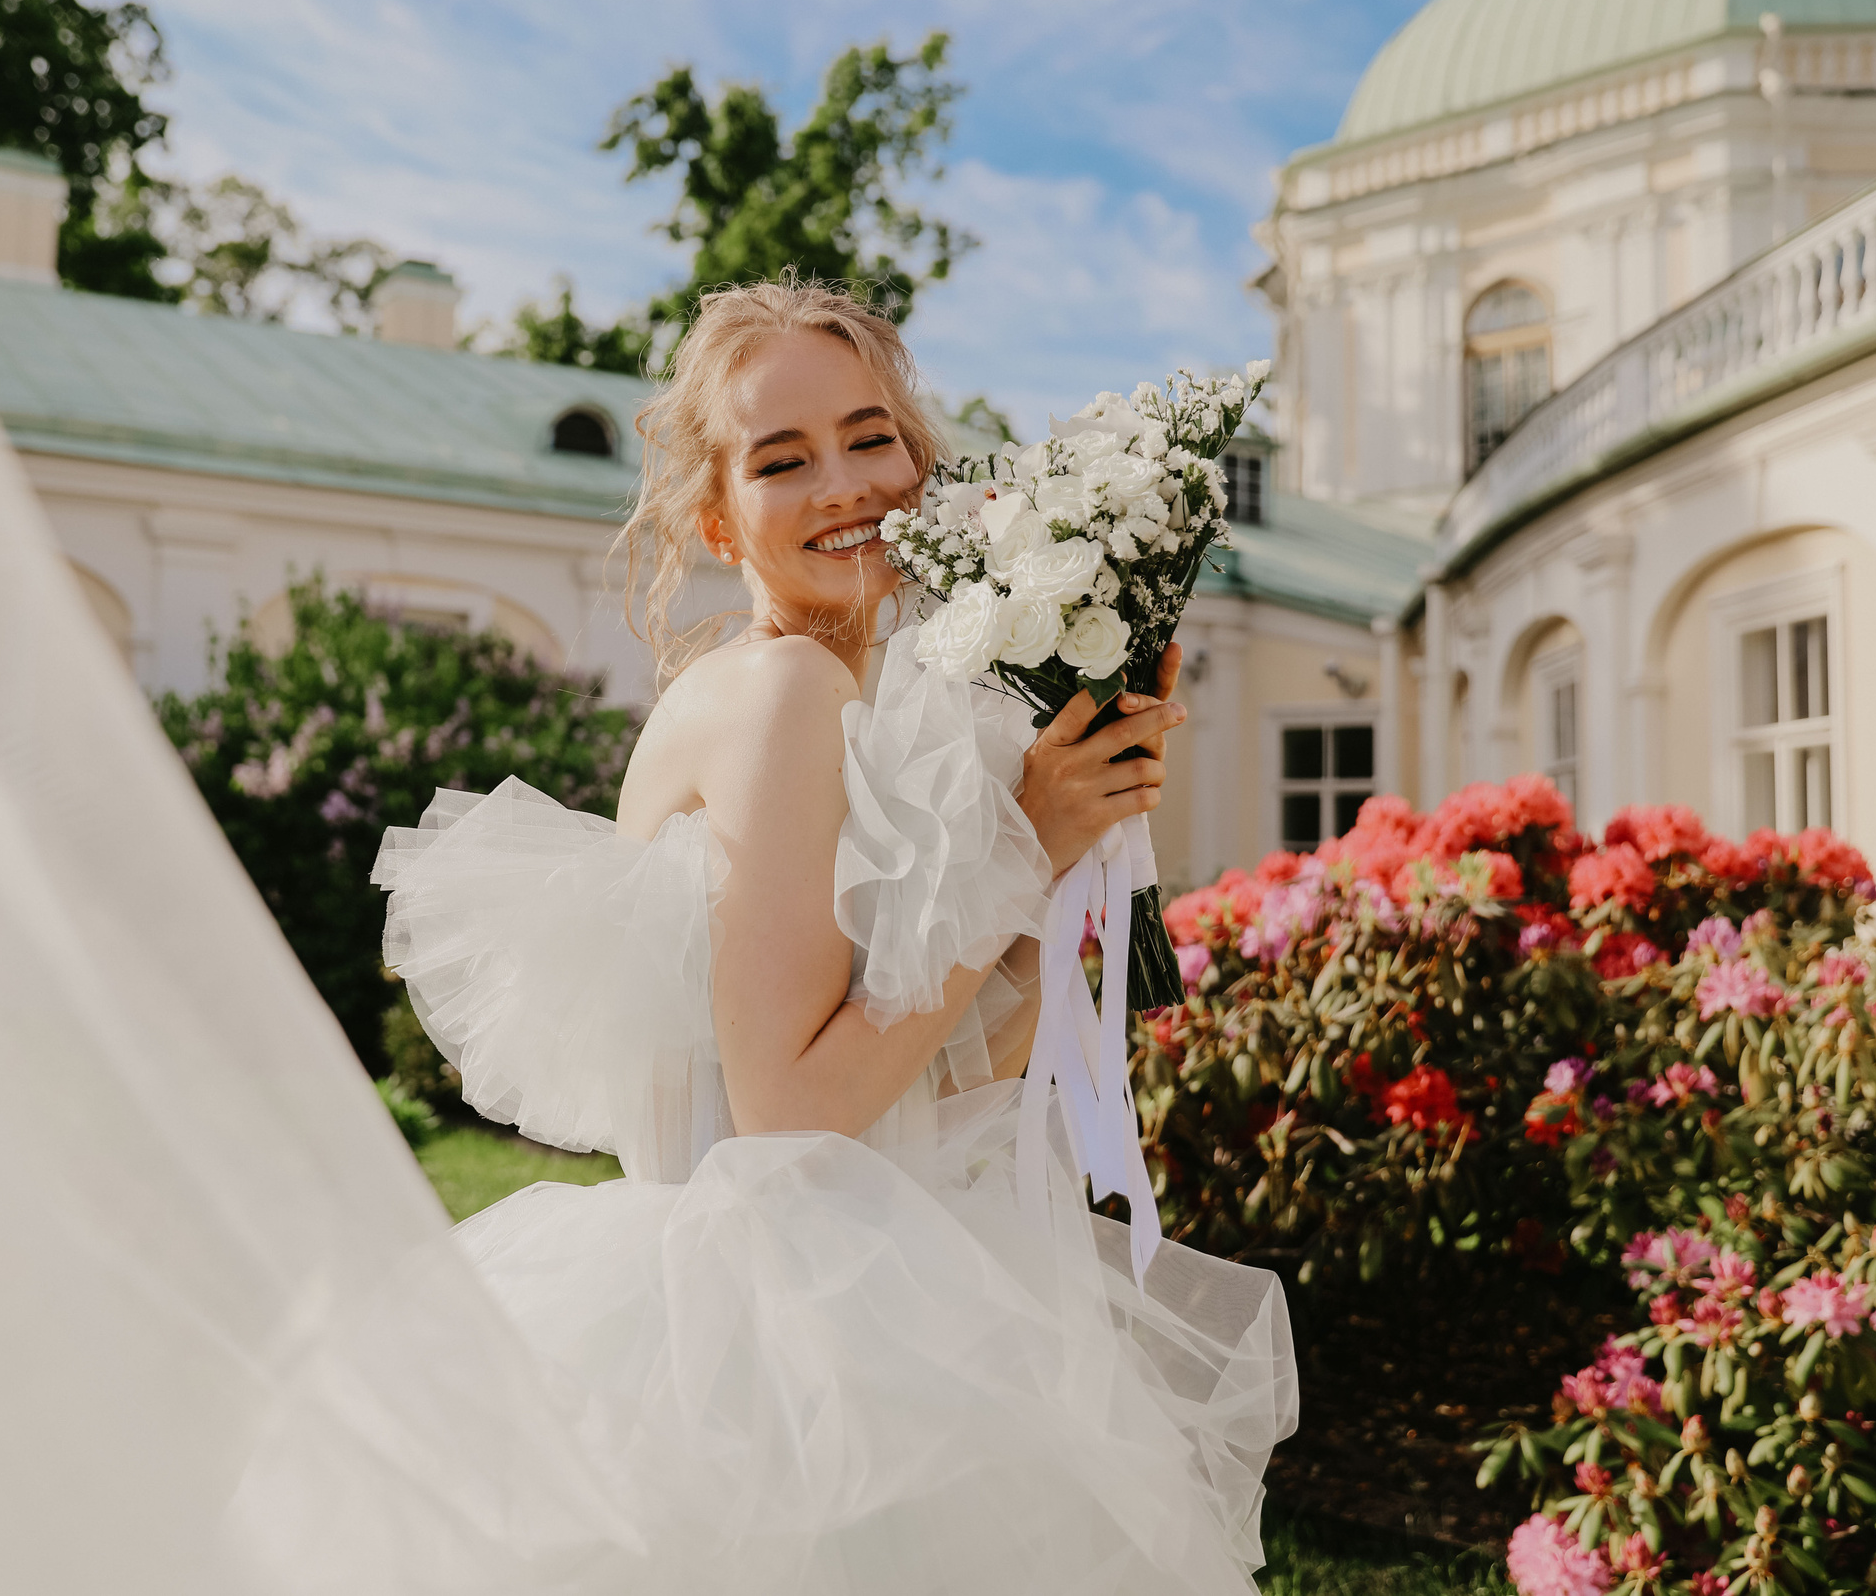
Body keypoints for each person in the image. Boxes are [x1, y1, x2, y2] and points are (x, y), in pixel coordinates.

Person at [379, 282, 1298, 1593]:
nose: (844, 485)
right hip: (774, 1353)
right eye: (782, 460)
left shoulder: (879, 710)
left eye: (871, 438)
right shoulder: (783, 692)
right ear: (717, 517)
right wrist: (1018, 851)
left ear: (925, 464)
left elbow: (942, 1079)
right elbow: (790, 1112)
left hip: (871, 1286)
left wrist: (1063, 859)